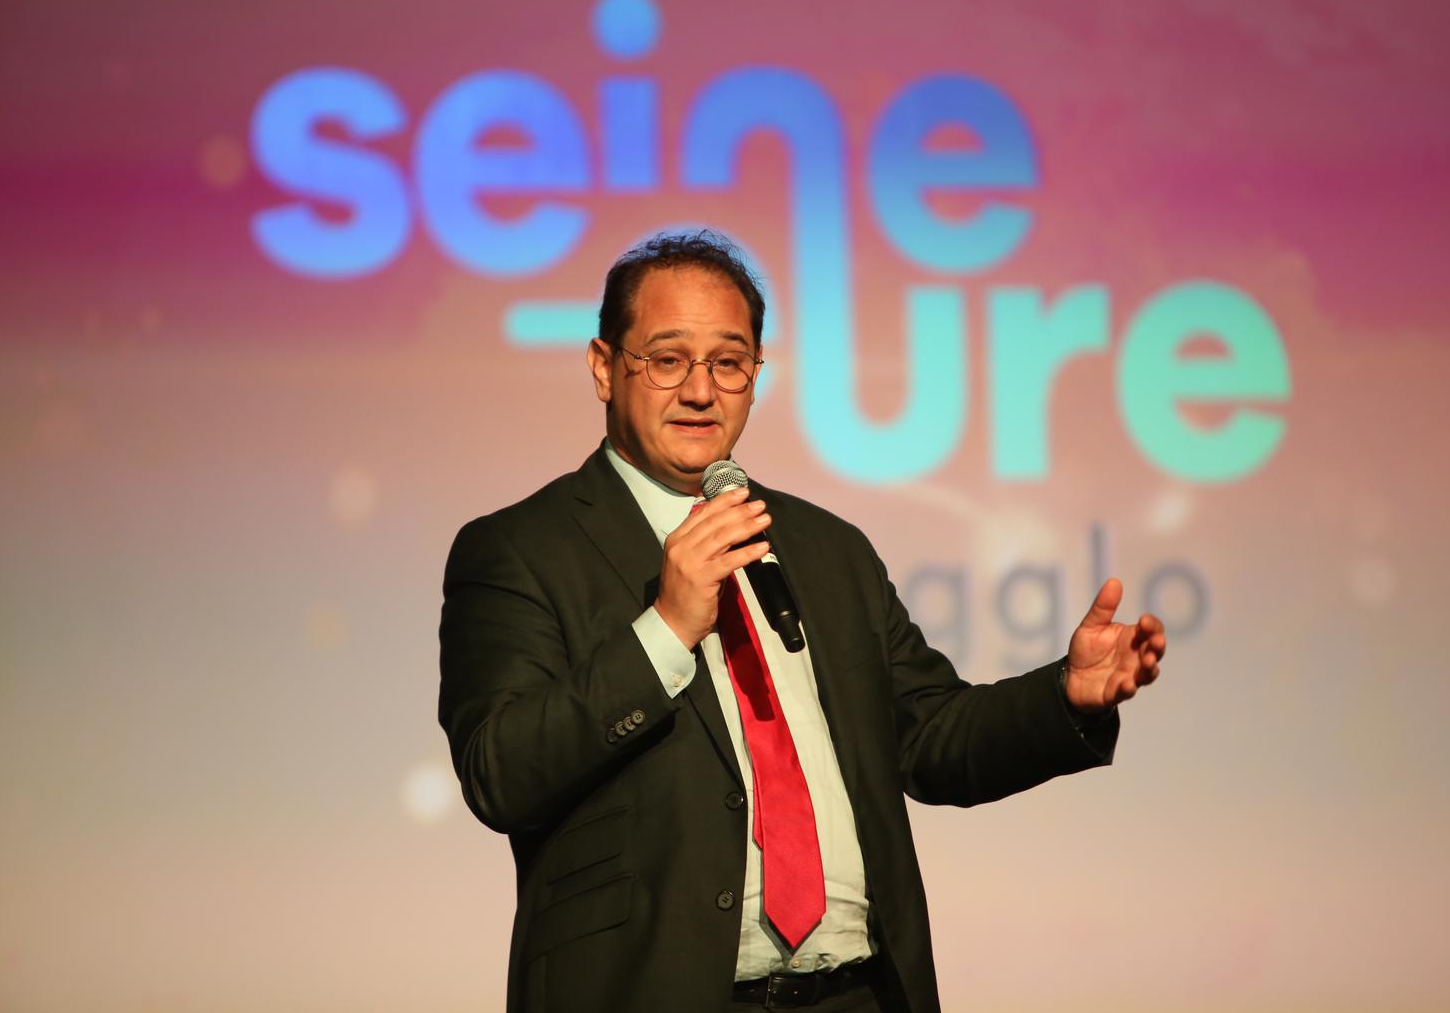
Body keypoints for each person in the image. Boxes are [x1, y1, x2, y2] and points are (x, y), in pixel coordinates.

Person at [438, 230, 1166, 1013]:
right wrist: (666, 629)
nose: (700, 391)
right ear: (604, 367)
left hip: (856, 994)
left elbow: (931, 737)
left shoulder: (826, 549)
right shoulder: (520, 550)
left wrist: (1065, 697)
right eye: (667, 359)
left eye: (728, 362)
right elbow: (499, 773)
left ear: (756, 375)